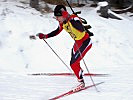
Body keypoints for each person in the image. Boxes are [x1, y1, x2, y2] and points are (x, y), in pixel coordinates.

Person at [36, 5, 92, 90]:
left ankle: (81, 82)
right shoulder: (62, 23)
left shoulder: (74, 18)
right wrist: (45, 36)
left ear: (63, 15)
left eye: (58, 17)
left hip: (85, 42)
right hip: (77, 42)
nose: (57, 19)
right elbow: (57, 31)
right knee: (73, 60)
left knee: (73, 63)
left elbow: (80, 28)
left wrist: (69, 17)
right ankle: (80, 72)